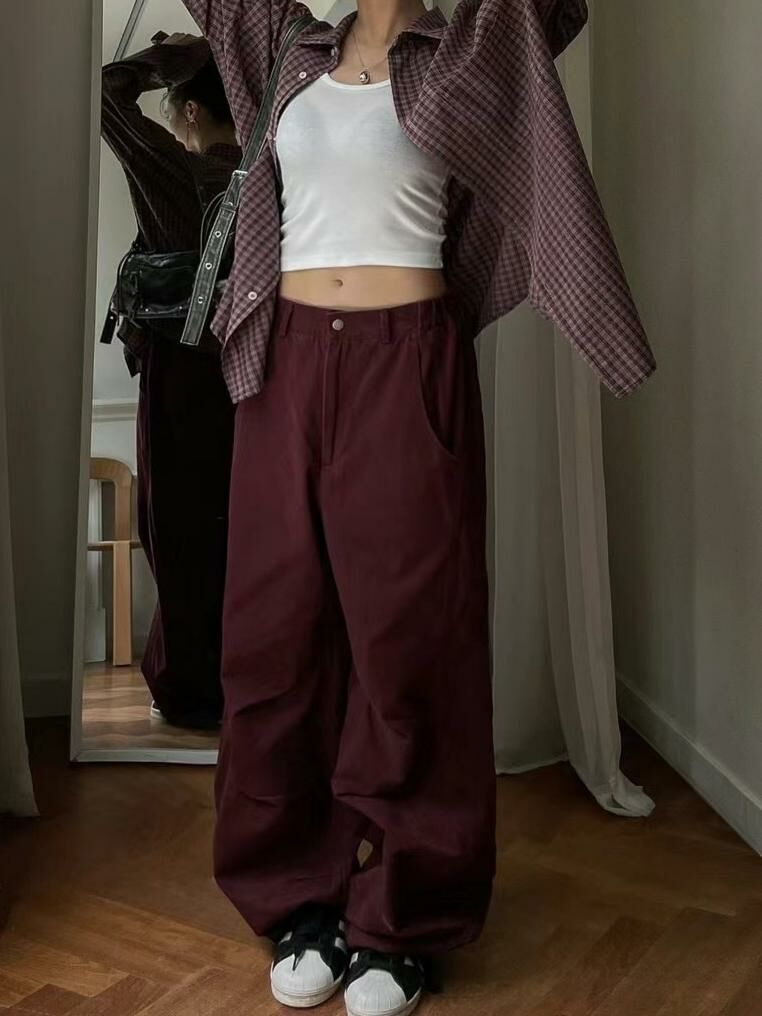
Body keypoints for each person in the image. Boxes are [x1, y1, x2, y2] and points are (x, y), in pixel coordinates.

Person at [180, 1, 656, 1014]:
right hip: (284, 365)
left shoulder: (474, 47)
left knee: (412, 646)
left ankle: (404, 918)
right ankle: (298, 895)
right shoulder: (287, 44)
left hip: (407, 364)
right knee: (273, 639)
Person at [101, 34, 241, 729]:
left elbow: (105, 94)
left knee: (177, 529)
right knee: (242, 528)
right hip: (258, 369)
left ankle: (191, 686)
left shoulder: (177, 170)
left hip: (181, 369)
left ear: (188, 111)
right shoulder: (269, 170)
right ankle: (245, 679)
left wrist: (176, 55)